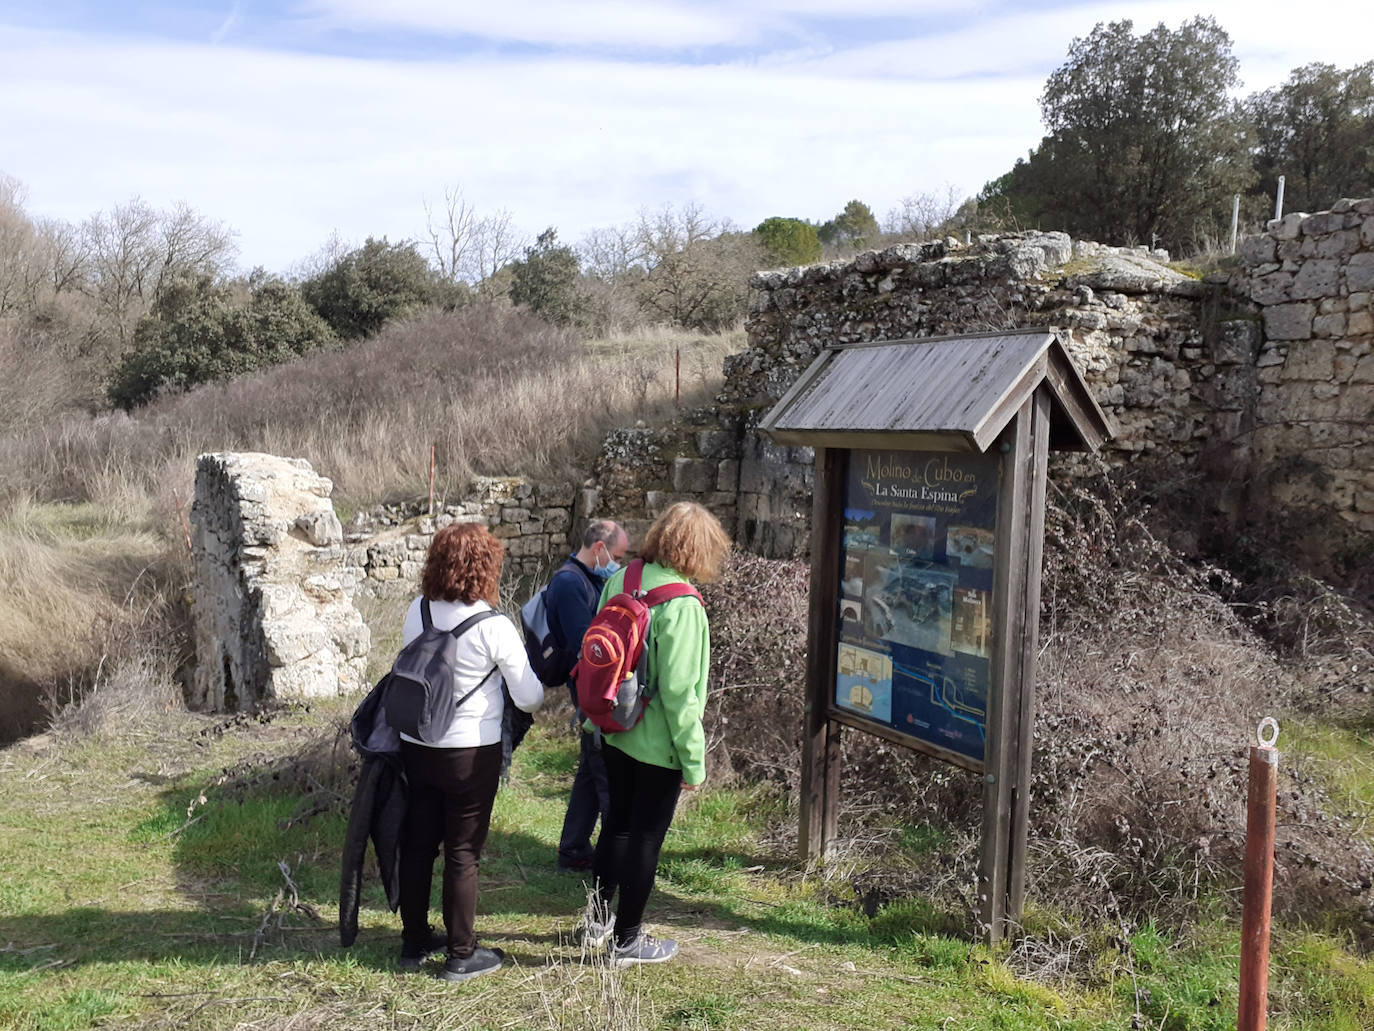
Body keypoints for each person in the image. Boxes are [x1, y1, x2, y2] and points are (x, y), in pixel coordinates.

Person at [583, 501, 730, 966]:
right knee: (646, 838)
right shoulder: (683, 605)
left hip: (612, 728)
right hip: (657, 746)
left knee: (615, 829)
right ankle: (627, 941)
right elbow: (681, 696)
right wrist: (694, 761)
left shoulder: (621, 579)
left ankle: (596, 921)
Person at [397, 523, 544, 982]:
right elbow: (530, 698)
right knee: (463, 852)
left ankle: (415, 940)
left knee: (419, 845)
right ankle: (461, 954)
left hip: (416, 745)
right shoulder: (493, 626)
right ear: (486, 568)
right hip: (469, 754)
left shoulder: (416, 612)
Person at [547, 519, 630, 874]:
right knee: (604, 771)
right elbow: (587, 646)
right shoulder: (568, 584)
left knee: (588, 773)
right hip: (588, 690)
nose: (620, 564)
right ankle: (617, 859)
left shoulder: (588, 579)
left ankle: (574, 848)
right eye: (618, 555)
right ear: (600, 548)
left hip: (589, 689)